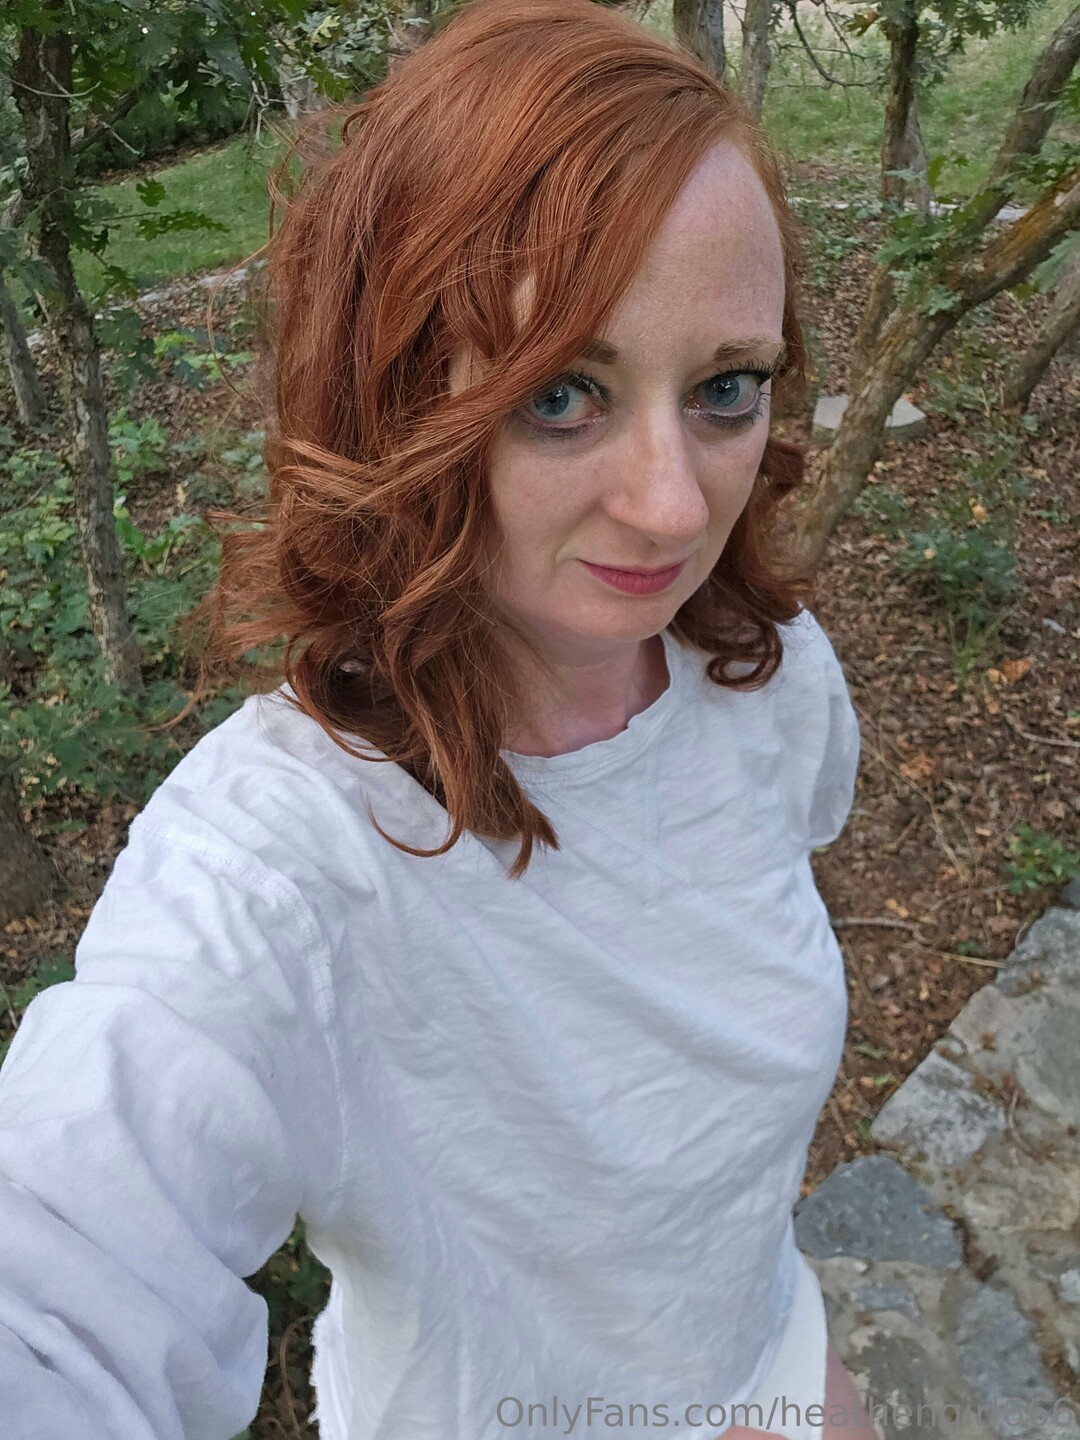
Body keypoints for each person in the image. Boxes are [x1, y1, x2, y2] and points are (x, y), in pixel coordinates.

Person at [0, 1, 875, 1437]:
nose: (673, 506)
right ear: (398, 399)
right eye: (563, 395)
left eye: (727, 388)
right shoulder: (285, 863)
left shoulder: (768, 678)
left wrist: (783, 1378)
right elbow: (62, 1286)